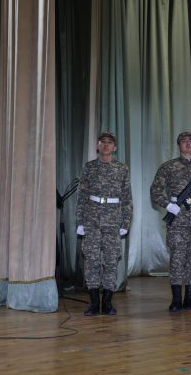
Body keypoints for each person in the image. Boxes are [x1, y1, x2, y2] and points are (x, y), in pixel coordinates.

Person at [150, 131, 191, 312]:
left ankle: (190, 297)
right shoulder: (168, 167)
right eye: (184, 141)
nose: (188, 144)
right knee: (177, 258)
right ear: (178, 145)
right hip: (178, 218)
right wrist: (168, 205)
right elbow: (155, 191)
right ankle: (176, 299)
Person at [76, 130, 133, 316]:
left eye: (110, 142)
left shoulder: (122, 169)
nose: (106, 145)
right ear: (97, 146)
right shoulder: (89, 167)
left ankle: (107, 303)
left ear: (114, 147)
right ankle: (94, 303)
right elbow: (82, 196)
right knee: (91, 260)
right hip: (91, 219)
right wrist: (80, 221)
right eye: (103, 141)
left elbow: (127, 198)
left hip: (113, 220)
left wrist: (125, 223)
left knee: (111, 261)